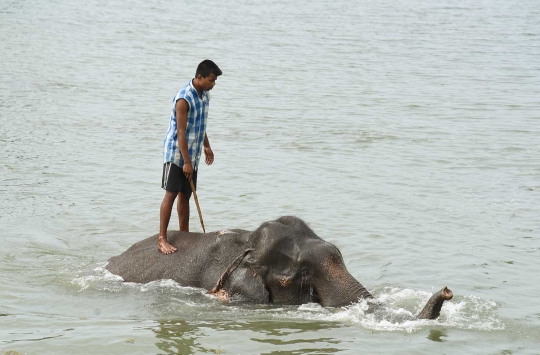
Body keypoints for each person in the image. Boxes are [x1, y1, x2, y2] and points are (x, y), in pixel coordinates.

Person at [159, 60, 222, 254]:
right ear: (199, 77)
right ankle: (162, 238)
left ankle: (183, 233)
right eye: (211, 80)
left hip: (192, 153)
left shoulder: (205, 96)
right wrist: (185, 162)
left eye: (215, 80)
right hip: (176, 153)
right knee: (171, 193)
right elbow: (181, 131)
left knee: (186, 194)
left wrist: (207, 146)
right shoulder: (184, 99)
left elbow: (200, 124)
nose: (214, 84)